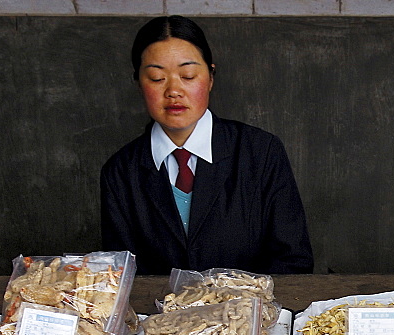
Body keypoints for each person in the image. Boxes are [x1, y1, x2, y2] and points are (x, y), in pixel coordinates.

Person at [101, 15, 313, 275]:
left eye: (188, 75)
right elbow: (121, 275)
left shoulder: (261, 152)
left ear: (210, 77)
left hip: (249, 312)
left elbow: (293, 261)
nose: (174, 91)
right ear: (139, 83)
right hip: (158, 315)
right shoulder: (121, 172)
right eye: (157, 78)